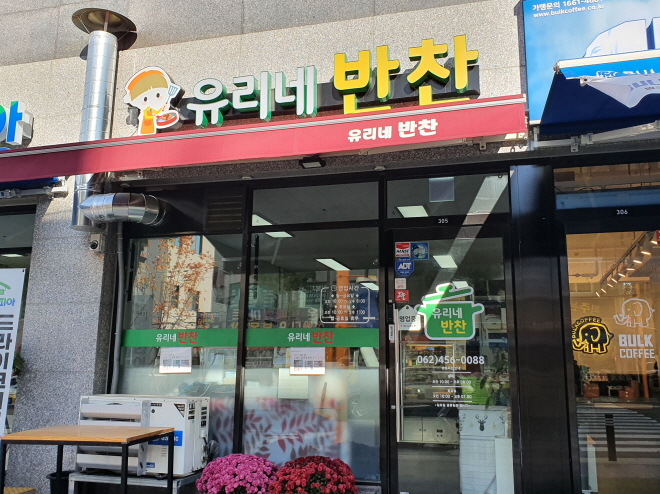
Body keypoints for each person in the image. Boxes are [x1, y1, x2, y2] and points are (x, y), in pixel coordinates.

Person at [124, 67, 180, 135]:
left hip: (152, 127)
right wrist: (154, 116)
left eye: (158, 95)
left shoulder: (152, 109)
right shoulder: (146, 110)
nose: (152, 100)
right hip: (146, 128)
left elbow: (158, 112)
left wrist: (164, 108)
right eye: (145, 99)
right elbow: (147, 116)